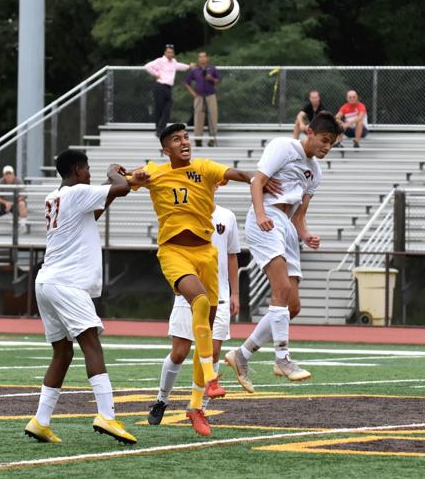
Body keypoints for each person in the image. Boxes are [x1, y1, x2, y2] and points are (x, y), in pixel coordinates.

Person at [130, 123, 280, 437]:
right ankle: (193, 385)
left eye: (186, 137)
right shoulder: (154, 171)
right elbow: (116, 179)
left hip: (206, 261)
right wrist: (123, 172)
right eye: (176, 139)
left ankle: (196, 407)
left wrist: (259, 179)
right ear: (165, 148)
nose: (184, 142)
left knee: (206, 337)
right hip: (174, 253)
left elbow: (237, 174)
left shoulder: (206, 174)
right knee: (185, 339)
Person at [25, 149, 149, 444]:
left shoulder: (55, 196)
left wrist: (125, 179)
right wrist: (113, 171)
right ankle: (107, 415)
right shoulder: (77, 191)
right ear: (78, 169)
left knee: (63, 353)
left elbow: (98, 208)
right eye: (88, 169)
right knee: (91, 344)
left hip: (46, 282)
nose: (90, 174)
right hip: (67, 284)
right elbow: (119, 188)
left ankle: (40, 421)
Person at [225, 111, 342, 393]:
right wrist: (261, 213)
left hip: (286, 227)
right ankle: (282, 359)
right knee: (280, 288)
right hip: (266, 220)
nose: (327, 147)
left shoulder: (316, 171)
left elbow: (299, 215)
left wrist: (306, 235)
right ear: (309, 132)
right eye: (324, 140)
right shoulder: (284, 146)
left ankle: (241, 355)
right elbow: (257, 181)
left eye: (332, 144)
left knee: (293, 306)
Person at [147, 203, 240, 427]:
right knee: (179, 352)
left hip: (220, 296)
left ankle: (198, 408)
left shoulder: (227, 216)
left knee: (213, 352)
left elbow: (232, 256)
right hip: (189, 293)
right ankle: (161, 399)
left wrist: (235, 292)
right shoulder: (185, 211)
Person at [145, 44, 194, 137]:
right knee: (159, 109)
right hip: (160, 86)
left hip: (168, 87)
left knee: (167, 109)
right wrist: (157, 74)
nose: (170, 54)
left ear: (173, 53)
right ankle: (159, 130)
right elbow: (147, 66)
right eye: (168, 52)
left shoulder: (174, 62)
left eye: (171, 52)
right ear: (165, 53)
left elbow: (180, 66)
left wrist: (189, 66)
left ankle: (161, 128)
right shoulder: (160, 61)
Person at [184, 52, 221, 147]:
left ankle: (212, 139)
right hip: (199, 96)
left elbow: (218, 81)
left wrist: (211, 78)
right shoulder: (195, 70)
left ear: (207, 58)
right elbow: (186, 82)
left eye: (204, 56)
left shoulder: (212, 69)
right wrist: (193, 94)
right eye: (200, 57)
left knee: (213, 117)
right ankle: (198, 139)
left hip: (210, 96)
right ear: (198, 59)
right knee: (198, 117)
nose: (202, 58)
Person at [0, 165, 28, 234]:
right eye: (6, 174)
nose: (8, 176)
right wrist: (6, 203)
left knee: (22, 204)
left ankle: (23, 226)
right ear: (3, 175)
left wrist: (12, 203)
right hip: (3, 206)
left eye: (10, 174)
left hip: (15, 205)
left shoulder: (18, 181)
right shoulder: (0, 181)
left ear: (13, 174)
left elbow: (23, 195)